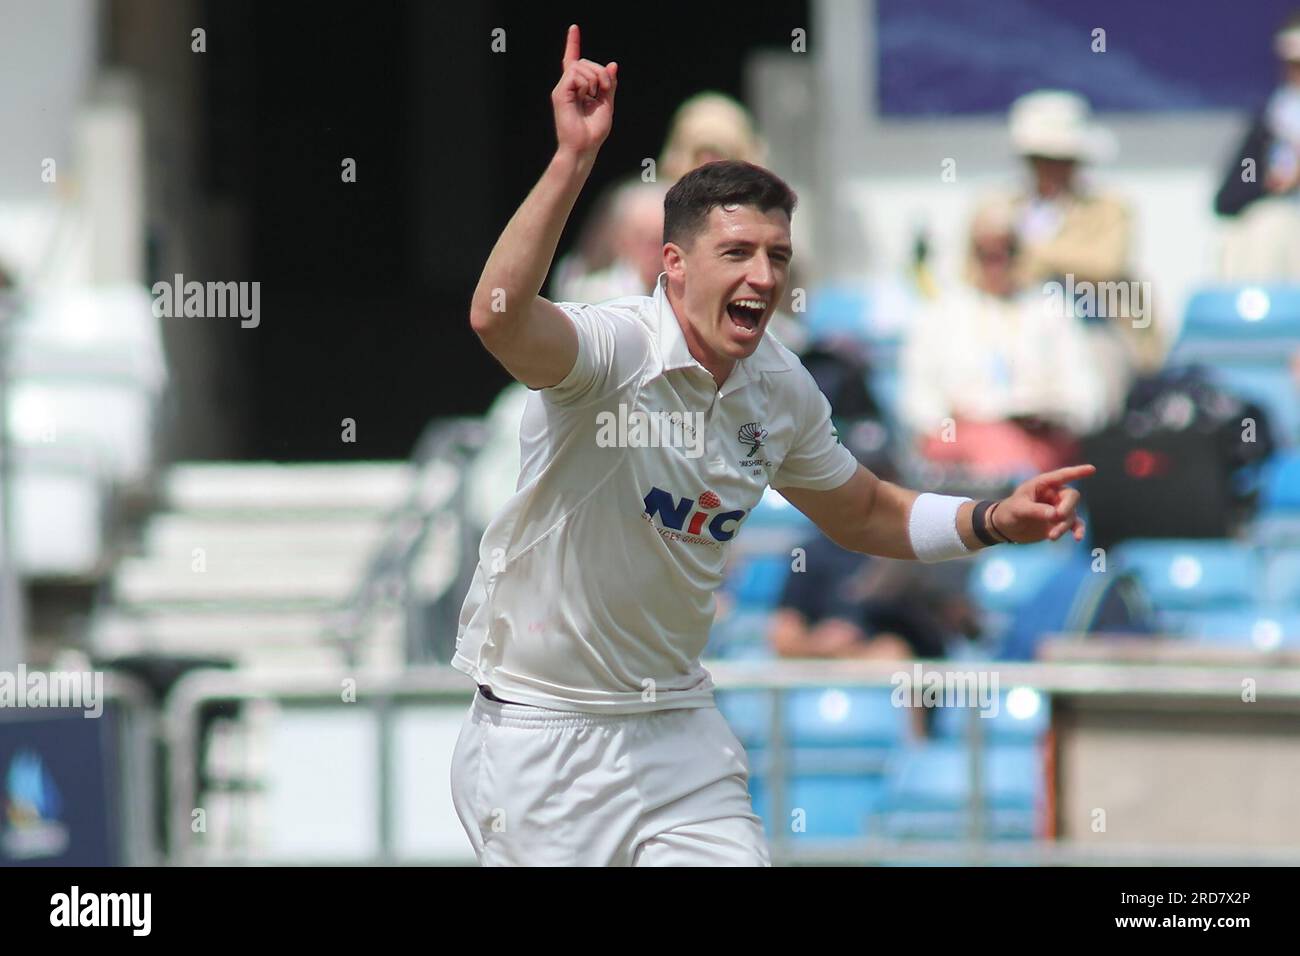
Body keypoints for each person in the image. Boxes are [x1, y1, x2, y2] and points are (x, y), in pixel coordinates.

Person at [451, 24, 1095, 867]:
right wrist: (573, 159)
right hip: (543, 734)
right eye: (737, 252)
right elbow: (497, 316)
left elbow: (863, 511)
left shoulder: (780, 386)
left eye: (777, 255)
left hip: (675, 725)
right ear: (674, 265)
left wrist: (989, 519)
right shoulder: (612, 352)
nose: (762, 274)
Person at [900, 201, 1116, 478]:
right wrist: (968, 430)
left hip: (1040, 442)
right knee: (1001, 455)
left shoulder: (1050, 308)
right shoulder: (940, 312)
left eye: (1007, 251)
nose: (997, 262)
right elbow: (918, 403)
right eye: (986, 253)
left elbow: (1085, 397)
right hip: (964, 448)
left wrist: (1052, 419)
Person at [1214, 10, 1300, 281]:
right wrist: (1270, 185)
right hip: (1282, 247)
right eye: (1292, 64)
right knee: (1267, 224)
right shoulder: (1270, 123)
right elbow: (1227, 201)